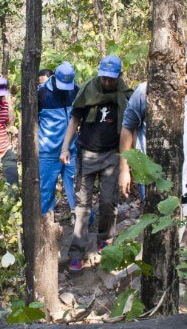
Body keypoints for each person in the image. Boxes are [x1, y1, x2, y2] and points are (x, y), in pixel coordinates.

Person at [119, 41, 187, 224]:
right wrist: (124, 169)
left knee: (179, 227)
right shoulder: (144, 92)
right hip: (152, 177)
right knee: (157, 226)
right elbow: (128, 127)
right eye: (183, 69)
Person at [61, 55, 133, 272]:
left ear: (119, 76)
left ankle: (105, 239)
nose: (107, 82)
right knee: (82, 206)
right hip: (87, 154)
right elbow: (74, 120)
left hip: (112, 155)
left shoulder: (125, 95)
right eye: (104, 78)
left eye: (112, 79)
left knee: (108, 202)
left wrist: (127, 163)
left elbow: (131, 128)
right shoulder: (88, 90)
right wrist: (65, 147)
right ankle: (76, 252)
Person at [38, 61, 78, 215]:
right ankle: (45, 227)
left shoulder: (75, 90)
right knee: (45, 192)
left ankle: (82, 225)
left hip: (71, 150)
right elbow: (29, 123)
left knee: (77, 190)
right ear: (54, 77)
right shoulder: (41, 93)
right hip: (48, 153)